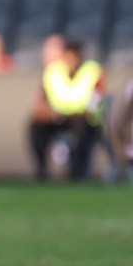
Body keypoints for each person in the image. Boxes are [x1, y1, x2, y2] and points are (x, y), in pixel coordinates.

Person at [29, 40, 106, 181]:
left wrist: (79, 113)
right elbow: (40, 102)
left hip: (82, 120)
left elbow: (96, 102)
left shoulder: (92, 71)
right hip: (57, 119)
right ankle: (42, 171)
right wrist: (50, 113)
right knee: (35, 127)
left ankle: (77, 173)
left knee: (83, 130)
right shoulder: (52, 71)